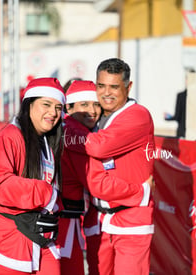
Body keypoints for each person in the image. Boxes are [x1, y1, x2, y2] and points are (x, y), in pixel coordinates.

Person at [65, 58, 155, 275]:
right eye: (101, 86)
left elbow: (99, 147)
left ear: (128, 87)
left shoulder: (137, 115)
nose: (106, 93)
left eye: (114, 87)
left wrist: (64, 131)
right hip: (99, 219)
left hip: (131, 218)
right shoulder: (96, 119)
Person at [0, 77, 65, 275]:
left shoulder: (49, 140)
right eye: (46, 104)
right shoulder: (11, 135)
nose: (53, 113)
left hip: (42, 240)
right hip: (7, 245)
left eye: (59, 107)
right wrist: (47, 193)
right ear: (29, 104)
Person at [58, 80, 102, 275]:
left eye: (96, 104)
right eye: (84, 104)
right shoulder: (75, 132)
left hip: (68, 217)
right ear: (69, 107)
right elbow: (96, 183)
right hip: (63, 220)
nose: (92, 110)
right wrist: (139, 190)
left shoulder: (70, 127)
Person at [164, 68, 195, 138]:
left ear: (186, 80)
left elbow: (177, 116)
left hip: (182, 132)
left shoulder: (181, 96)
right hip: (194, 133)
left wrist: (167, 117)